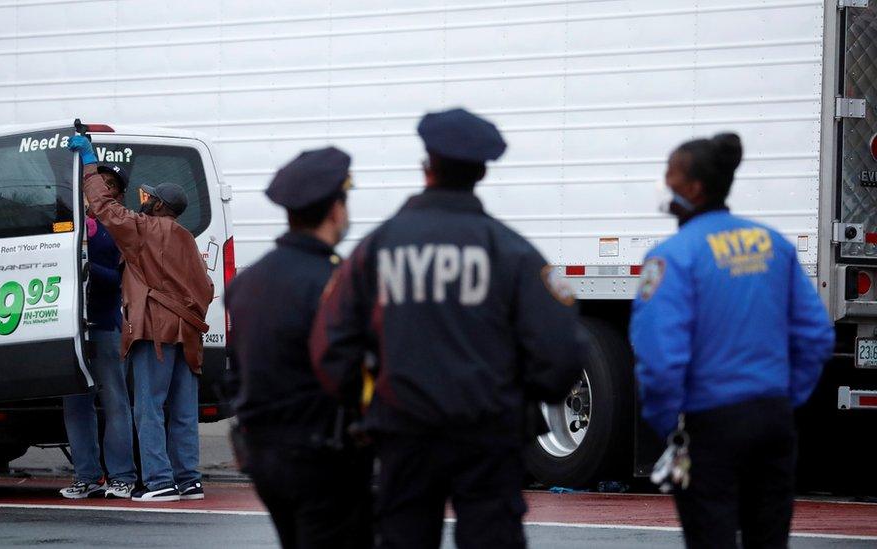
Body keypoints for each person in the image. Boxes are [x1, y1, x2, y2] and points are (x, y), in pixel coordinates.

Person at [310, 108, 585, 549]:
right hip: (488, 435)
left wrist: (368, 410)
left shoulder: (376, 249)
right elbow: (563, 349)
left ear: (427, 168)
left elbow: (330, 346)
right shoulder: (511, 252)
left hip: (403, 434)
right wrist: (518, 406)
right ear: (480, 173)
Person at [629, 133, 834, 548]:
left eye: (670, 175)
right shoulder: (773, 244)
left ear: (694, 188)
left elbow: (660, 361)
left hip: (710, 426)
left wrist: (670, 424)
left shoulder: (672, 257)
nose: (664, 183)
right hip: (773, 421)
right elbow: (816, 336)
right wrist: (783, 399)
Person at [225, 146, 371, 549]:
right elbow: (352, 372)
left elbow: (236, 370)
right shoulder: (337, 283)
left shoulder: (248, 282)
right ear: (335, 209)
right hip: (323, 457)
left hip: (264, 457)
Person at [69, 134, 215, 503]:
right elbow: (207, 288)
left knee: (148, 407)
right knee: (183, 411)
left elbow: (103, 206)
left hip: (154, 332)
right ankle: (188, 481)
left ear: (158, 205)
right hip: (189, 334)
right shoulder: (186, 237)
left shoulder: (144, 230)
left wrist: (90, 162)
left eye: (148, 198)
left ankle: (159, 481)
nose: (142, 201)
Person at [59, 164, 137, 500]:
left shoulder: (120, 228)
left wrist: (91, 266)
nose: (99, 191)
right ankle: (87, 475)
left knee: (115, 402)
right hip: (70, 328)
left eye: (109, 186)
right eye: (95, 184)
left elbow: (125, 280)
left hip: (105, 325)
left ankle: (122, 475)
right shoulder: (70, 224)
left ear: (117, 195)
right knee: (76, 405)